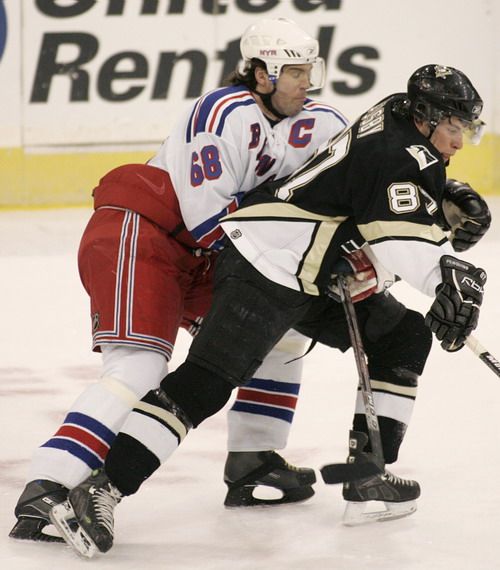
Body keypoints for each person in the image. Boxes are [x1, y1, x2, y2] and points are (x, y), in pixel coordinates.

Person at [48, 63, 491, 557]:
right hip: (267, 260)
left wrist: (440, 211)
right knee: (204, 384)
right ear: (426, 118)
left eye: (468, 130)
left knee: (402, 337)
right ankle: (98, 490)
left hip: (314, 268)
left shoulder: (398, 116)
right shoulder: (397, 152)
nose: (460, 141)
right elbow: (397, 238)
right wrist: (441, 280)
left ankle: (368, 477)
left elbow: (386, 205)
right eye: (455, 128)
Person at [9, 18, 353, 543]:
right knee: (141, 365)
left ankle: (254, 460)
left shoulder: (321, 122)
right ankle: (48, 486)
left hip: (206, 255)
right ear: (262, 75)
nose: (307, 83)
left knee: (279, 330)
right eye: (295, 72)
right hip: (145, 235)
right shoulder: (222, 114)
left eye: (311, 70)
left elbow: (352, 188)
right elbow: (209, 220)